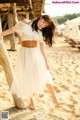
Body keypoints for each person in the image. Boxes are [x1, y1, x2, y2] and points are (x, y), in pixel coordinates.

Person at [1, 15, 59, 110]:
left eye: (45, 26)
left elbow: (42, 48)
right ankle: (32, 103)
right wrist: (1, 34)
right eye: (43, 22)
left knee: (44, 73)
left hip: (35, 54)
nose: (43, 26)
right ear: (40, 18)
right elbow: (11, 30)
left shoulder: (40, 31)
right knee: (27, 77)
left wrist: (46, 62)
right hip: (24, 54)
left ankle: (55, 98)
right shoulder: (24, 23)